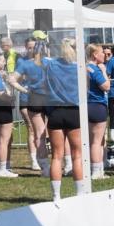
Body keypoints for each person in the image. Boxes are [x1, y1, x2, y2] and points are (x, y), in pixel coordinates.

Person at [43, 38, 86, 201]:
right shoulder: (79, 67)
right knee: (77, 155)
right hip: (74, 111)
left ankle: (56, 195)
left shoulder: (51, 65)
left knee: (56, 156)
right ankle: (80, 193)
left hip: (56, 111)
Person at [9, 35, 49, 173]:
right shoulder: (22, 61)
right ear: (26, 48)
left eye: (34, 47)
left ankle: (42, 157)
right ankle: (34, 160)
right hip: (28, 98)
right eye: (30, 47)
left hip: (44, 98)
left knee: (44, 129)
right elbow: (15, 79)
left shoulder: (45, 61)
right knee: (32, 129)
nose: (32, 50)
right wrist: (24, 89)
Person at [85, 44, 111, 179]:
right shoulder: (95, 69)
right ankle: (96, 171)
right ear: (95, 55)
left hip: (87, 105)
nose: (104, 55)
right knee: (96, 141)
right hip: (97, 105)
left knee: (95, 141)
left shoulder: (84, 67)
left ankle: (98, 169)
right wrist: (104, 71)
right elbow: (106, 86)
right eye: (102, 52)